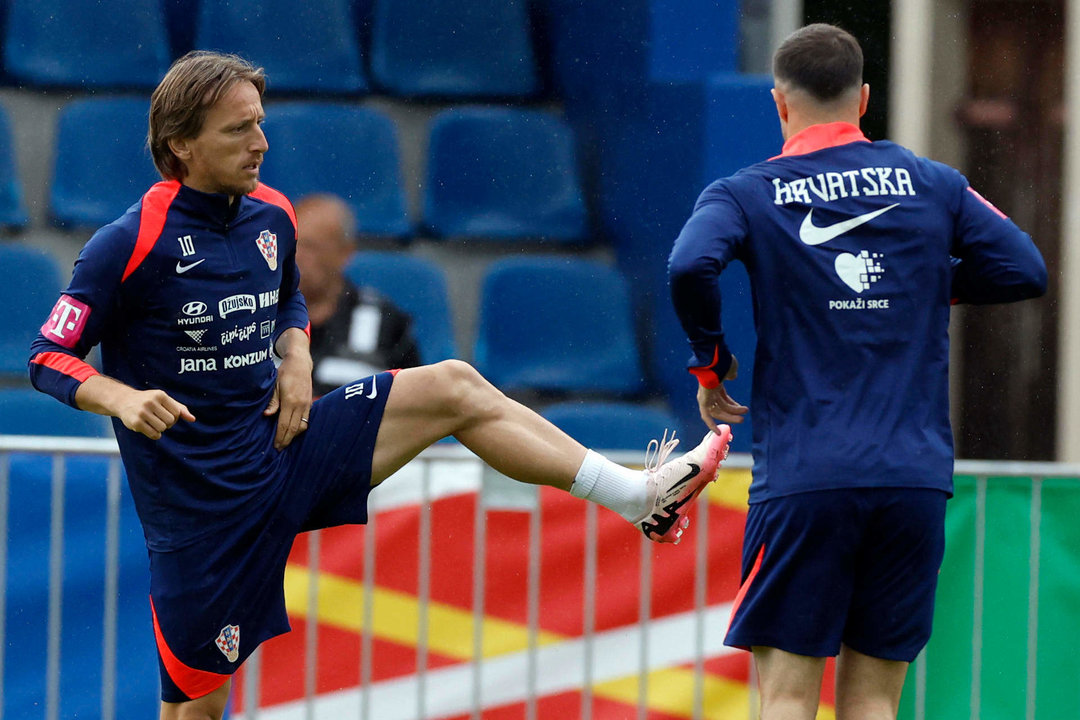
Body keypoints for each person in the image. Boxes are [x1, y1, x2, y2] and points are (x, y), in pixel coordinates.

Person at [26, 51, 732, 719]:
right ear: (180, 144)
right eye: (239, 129)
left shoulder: (272, 213)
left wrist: (296, 353)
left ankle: (638, 495)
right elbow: (48, 355)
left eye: (261, 122)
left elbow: (287, 296)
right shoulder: (129, 242)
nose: (261, 142)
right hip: (201, 516)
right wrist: (116, 395)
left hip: (283, 451)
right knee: (196, 709)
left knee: (454, 385)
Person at [667, 24, 1046, 720]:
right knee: (874, 703)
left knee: (785, 698)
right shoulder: (934, 184)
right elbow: (1024, 268)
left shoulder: (747, 192)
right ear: (864, 98)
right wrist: (923, 283)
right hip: (912, 482)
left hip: (808, 479)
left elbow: (690, 264)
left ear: (780, 104)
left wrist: (711, 363)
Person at [293, 193, 421, 396]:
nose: (296, 256)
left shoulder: (385, 322)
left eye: (310, 247)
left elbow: (415, 402)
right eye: (292, 244)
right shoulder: (259, 316)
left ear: (345, 253)